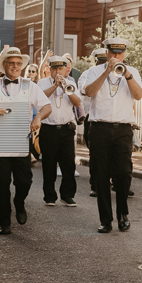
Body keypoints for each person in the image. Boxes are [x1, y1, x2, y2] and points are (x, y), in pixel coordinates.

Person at [0, 47, 52, 235]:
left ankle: (19, 202)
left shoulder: (30, 85)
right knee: (1, 183)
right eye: (11, 63)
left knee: (25, 181)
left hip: (21, 142)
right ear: (4, 65)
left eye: (18, 63)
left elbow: (47, 106)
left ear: (21, 66)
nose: (15, 66)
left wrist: (38, 118)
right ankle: (4, 222)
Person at [80, 37, 142, 233]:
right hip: (100, 128)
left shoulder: (132, 72)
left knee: (123, 174)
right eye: (113, 52)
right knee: (101, 175)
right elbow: (89, 92)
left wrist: (128, 76)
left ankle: (123, 214)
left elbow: (139, 95)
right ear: (106, 52)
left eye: (120, 53)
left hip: (123, 129)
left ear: (124, 54)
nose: (116, 56)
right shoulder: (92, 72)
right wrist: (107, 71)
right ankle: (105, 219)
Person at [38, 55, 81, 206]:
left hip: (66, 129)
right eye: (54, 68)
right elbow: (39, 99)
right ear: (49, 69)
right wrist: (55, 86)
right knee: (49, 164)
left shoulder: (70, 83)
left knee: (68, 164)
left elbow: (77, 103)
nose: (57, 72)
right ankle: (50, 196)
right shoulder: (42, 82)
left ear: (65, 69)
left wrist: (65, 88)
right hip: (48, 129)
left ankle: (67, 195)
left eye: (60, 68)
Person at [80, 48, 108, 198]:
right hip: (93, 118)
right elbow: (84, 92)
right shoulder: (87, 74)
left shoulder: (117, 72)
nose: (103, 63)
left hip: (111, 117)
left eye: (106, 60)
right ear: (96, 61)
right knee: (96, 154)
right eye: (101, 61)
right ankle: (96, 184)